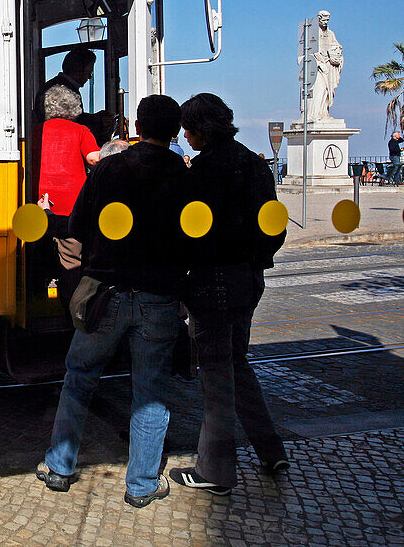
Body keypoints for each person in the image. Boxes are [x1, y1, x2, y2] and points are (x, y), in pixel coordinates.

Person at [37, 95, 189, 508]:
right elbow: (194, 236)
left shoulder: (109, 168)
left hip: (107, 294)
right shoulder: (181, 173)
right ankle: (141, 485)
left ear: (136, 126)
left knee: (79, 377)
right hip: (159, 297)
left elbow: (79, 224)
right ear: (174, 130)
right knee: (151, 391)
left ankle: (59, 467)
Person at [169, 93, 288, 496]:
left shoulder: (201, 173)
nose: (184, 135)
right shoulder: (256, 166)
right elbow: (275, 228)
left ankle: (216, 471)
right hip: (248, 280)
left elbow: (186, 233)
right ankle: (271, 449)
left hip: (211, 281)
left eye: (188, 128)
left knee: (217, 376)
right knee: (237, 364)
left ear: (202, 129)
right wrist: (255, 260)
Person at [35, 101, 101, 304]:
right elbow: (94, 159)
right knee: (72, 262)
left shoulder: (35, 131)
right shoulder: (80, 130)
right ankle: (75, 309)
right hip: (71, 206)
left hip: (37, 203)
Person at [36, 46, 95, 121]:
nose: (89, 77)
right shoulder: (65, 90)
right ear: (78, 70)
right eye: (89, 71)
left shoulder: (52, 85)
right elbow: (74, 121)